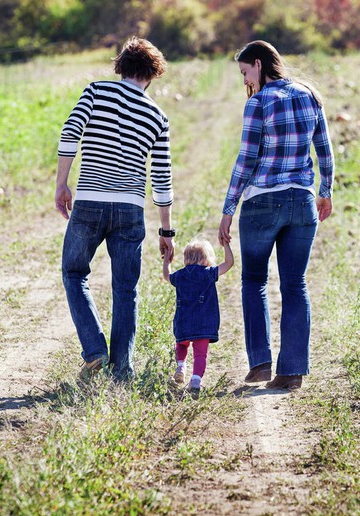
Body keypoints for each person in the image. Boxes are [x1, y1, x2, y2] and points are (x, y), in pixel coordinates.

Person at [55, 36, 175, 382]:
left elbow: (69, 133)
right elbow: (163, 180)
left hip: (90, 200)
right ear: (153, 74)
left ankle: (94, 351)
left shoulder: (95, 92)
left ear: (120, 66)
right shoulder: (158, 116)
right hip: (129, 210)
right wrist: (166, 231)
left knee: (74, 273)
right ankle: (121, 371)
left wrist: (62, 184)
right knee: (126, 290)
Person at [218, 40, 335, 391]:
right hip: (301, 202)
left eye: (244, 73)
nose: (245, 81)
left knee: (254, 281)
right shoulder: (310, 94)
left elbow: (246, 160)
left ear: (258, 64)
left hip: (261, 204)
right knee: (294, 284)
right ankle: (292, 371)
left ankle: (260, 364)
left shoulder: (258, 103)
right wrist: (325, 192)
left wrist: (228, 208)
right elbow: (325, 151)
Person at [163, 236, 234, 393]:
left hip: (183, 322)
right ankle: (195, 380)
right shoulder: (209, 273)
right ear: (206, 259)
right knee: (200, 355)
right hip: (204, 323)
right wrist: (226, 245)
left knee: (181, 344)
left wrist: (166, 262)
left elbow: (167, 276)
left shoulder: (180, 275)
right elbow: (229, 264)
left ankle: (181, 366)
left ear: (186, 258)